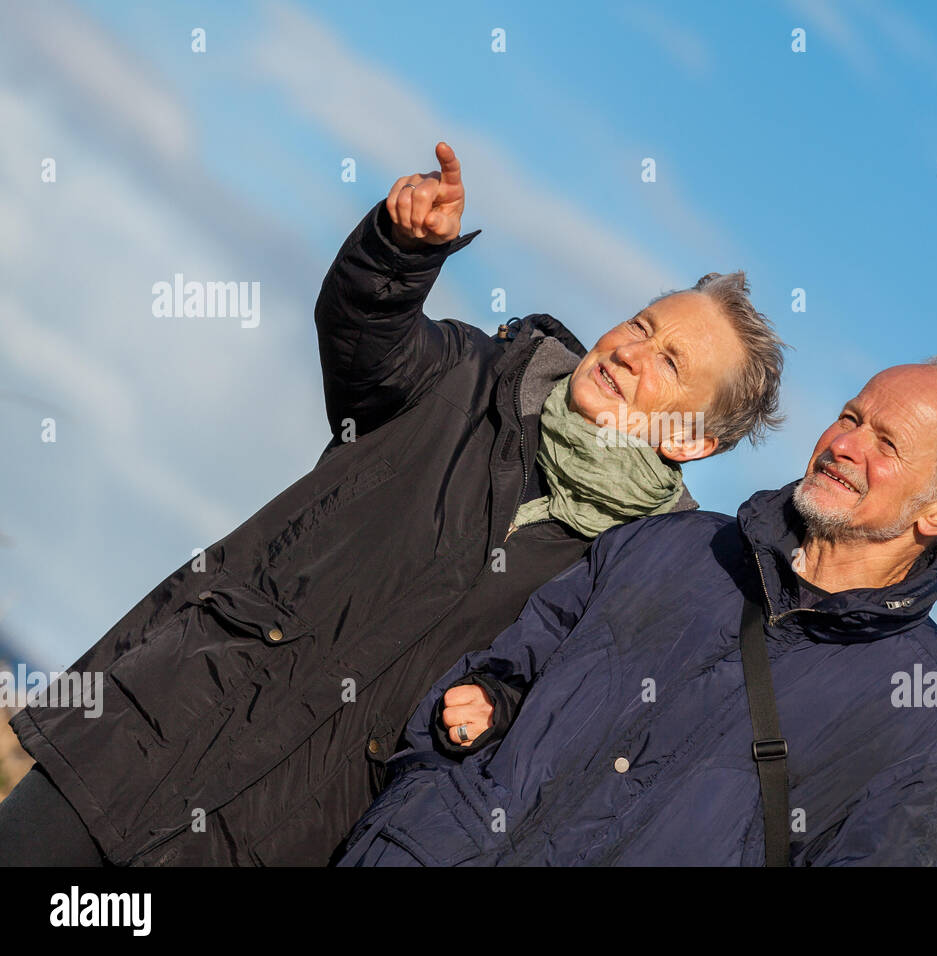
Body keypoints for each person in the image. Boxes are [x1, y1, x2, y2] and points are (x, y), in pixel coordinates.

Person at [0, 142, 786, 866]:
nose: (630, 352)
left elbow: (555, 712)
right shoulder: (473, 375)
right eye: (642, 325)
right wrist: (398, 251)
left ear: (694, 439)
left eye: (669, 362)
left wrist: (500, 705)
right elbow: (364, 340)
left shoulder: (639, 573)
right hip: (147, 741)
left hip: (286, 836)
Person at [338, 359, 937, 866]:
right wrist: (469, 728)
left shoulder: (927, 714)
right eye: (850, 417)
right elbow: (508, 665)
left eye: (887, 444)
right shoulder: (675, 543)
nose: (845, 446)